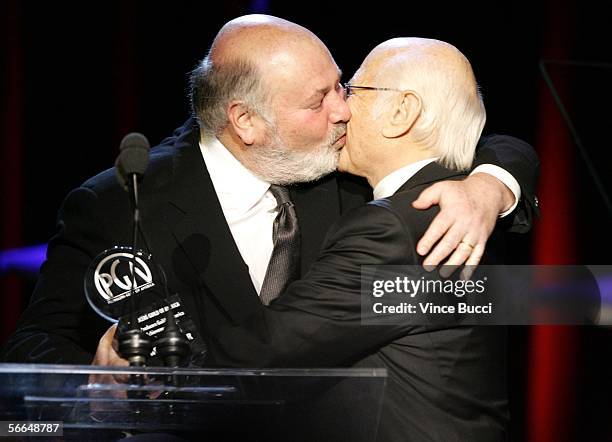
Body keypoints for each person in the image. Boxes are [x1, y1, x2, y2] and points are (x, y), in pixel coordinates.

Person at [0, 15, 538, 366]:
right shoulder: (123, 201)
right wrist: (98, 373)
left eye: (341, 85)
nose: (343, 109)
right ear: (247, 122)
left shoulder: (344, 163)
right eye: (318, 99)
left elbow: (493, 142)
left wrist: (491, 185)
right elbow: (33, 346)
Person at [197, 36, 510, 441]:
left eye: (354, 91)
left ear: (402, 112)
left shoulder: (396, 229)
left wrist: (140, 361)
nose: (341, 109)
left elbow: (268, 349)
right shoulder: (468, 205)